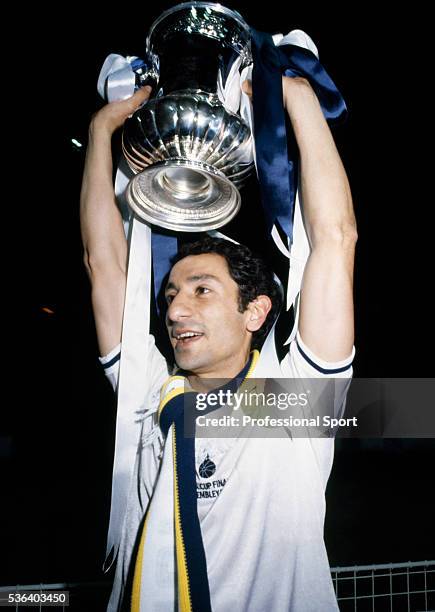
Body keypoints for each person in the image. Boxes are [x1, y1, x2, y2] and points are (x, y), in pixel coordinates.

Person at [80, 75, 357, 611]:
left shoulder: (296, 401)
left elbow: (335, 239)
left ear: (255, 311)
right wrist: (100, 133)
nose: (175, 310)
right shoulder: (148, 397)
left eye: (202, 290)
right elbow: (104, 263)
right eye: (171, 295)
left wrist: (297, 101)